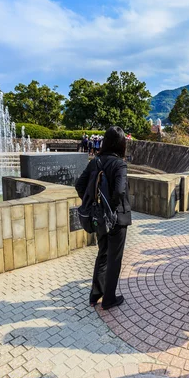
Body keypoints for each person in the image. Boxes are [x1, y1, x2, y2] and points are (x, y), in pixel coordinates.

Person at [75, 126, 131, 310]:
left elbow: (79, 185)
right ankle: (109, 299)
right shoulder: (120, 164)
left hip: (99, 218)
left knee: (103, 254)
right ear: (121, 144)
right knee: (114, 258)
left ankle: (95, 295)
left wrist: (95, 205)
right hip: (117, 219)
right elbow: (120, 191)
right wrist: (111, 209)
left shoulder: (96, 161)